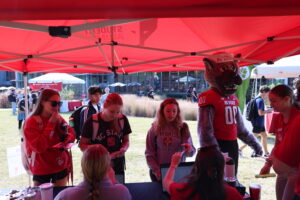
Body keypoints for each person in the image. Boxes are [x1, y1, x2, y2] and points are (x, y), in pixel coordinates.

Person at [198, 53, 262, 176]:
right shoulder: (209, 97)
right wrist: (213, 152)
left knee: (231, 178)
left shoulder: (233, 98)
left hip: (232, 144)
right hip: (217, 144)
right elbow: (205, 131)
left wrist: (255, 145)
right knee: (216, 181)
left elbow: (240, 128)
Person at [23, 89, 75, 186]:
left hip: (60, 166)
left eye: (59, 103)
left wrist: (65, 138)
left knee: (60, 196)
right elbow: (39, 147)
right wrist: (51, 124)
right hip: (42, 169)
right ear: (42, 102)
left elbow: (72, 135)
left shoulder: (58, 117)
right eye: (54, 103)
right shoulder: (31, 121)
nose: (57, 107)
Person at [259, 84, 300, 200]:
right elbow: (277, 145)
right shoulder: (277, 118)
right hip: (282, 174)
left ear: (287, 99)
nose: (271, 105)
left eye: (274, 101)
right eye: (270, 101)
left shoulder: (297, 119)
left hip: (295, 175)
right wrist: (268, 164)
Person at [163, 145, 243, 200]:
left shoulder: (183, 191)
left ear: (196, 167)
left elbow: (166, 183)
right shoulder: (232, 194)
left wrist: (173, 164)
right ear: (222, 169)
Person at [80, 93, 132, 176]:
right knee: (97, 189)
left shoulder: (122, 119)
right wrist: (98, 150)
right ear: (104, 107)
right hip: (97, 167)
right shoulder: (92, 122)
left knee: (117, 187)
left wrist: (123, 149)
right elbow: (82, 145)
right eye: (112, 111)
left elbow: (126, 141)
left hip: (117, 166)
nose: (115, 115)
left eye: (118, 112)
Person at [54, 144, 131, 200]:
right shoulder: (122, 193)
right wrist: (113, 182)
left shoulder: (65, 196)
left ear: (83, 167)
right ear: (108, 167)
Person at [145, 98, 196, 181]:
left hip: (178, 171)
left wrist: (189, 150)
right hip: (159, 172)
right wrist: (156, 170)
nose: (171, 114)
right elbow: (149, 153)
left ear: (177, 112)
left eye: (174, 111)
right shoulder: (154, 128)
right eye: (168, 111)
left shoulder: (183, 128)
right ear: (162, 111)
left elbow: (191, 152)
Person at [240, 85, 271, 157]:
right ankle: (240, 149)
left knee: (264, 136)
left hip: (258, 122)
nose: (268, 95)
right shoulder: (260, 100)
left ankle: (266, 153)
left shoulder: (257, 98)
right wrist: (269, 111)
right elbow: (260, 113)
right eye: (268, 93)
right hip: (257, 122)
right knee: (252, 139)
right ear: (263, 92)